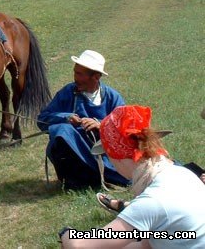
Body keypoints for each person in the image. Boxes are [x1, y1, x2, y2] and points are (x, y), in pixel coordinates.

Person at [59, 105, 205, 248]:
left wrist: (66, 234)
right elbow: (148, 244)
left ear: (117, 156)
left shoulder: (151, 201)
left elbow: (79, 246)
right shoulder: (184, 174)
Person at [38, 50, 129, 190]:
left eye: (79, 74)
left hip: (103, 155)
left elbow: (125, 128)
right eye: (75, 72)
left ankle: (100, 175)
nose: (75, 78)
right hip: (72, 157)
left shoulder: (113, 97)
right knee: (62, 130)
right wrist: (65, 117)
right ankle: (74, 180)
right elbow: (43, 119)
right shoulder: (67, 92)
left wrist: (101, 125)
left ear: (96, 76)